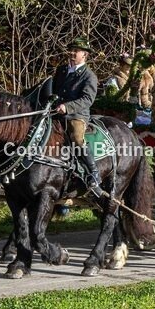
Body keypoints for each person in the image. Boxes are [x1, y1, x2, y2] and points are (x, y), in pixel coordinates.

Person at [52, 37, 103, 197]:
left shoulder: (89, 76)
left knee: (76, 137)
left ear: (85, 55)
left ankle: (93, 172)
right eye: (71, 49)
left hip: (76, 115)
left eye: (76, 50)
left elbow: (87, 99)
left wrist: (67, 107)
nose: (72, 53)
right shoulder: (61, 70)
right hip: (55, 113)